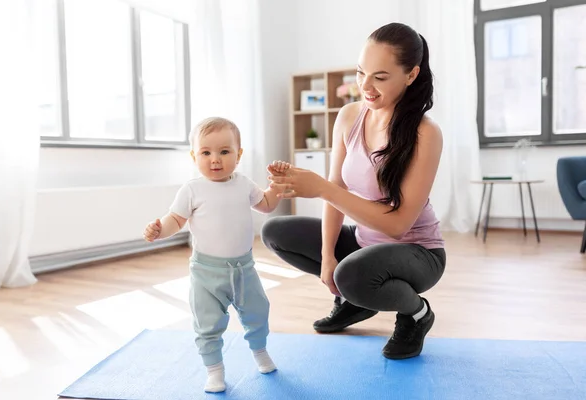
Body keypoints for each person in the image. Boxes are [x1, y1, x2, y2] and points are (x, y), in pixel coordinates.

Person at [262, 22, 446, 360]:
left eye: (380, 77)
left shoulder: (425, 133)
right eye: (361, 72)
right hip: (364, 243)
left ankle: (416, 314)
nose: (365, 86)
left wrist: (321, 189)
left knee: (353, 273)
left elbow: (397, 225)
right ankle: (353, 301)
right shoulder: (349, 116)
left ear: (410, 75)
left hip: (418, 251)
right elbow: (337, 187)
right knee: (275, 231)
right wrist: (328, 255)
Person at [143, 117, 290, 392]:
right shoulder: (192, 189)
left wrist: (277, 185)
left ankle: (260, 353)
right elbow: (175, 220)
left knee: (258, 312)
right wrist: (159, 230)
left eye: (224, 152)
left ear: (239, 154)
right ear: (193, 156)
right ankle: (214, 371)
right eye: (206, 152)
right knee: (207, 323)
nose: (215, 160)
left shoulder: (244, 183)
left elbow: (267, 205)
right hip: (206, 273)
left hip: (244, 269)